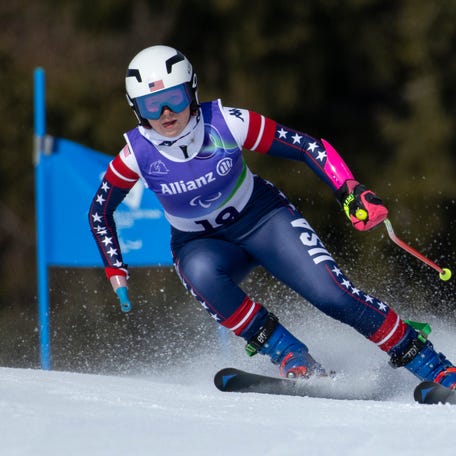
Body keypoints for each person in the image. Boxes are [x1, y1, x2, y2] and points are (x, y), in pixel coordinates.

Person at [89, 45, 456, 387]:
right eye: (152, 106)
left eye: (174, 98)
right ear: (137, 109)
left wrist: (348, 189)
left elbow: (308, 147)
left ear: (192, 91)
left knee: (332, 296)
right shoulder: (135, 155)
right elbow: (100, 211)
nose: (166, 114)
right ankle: (291, 356)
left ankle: (435, 367)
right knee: (198, 274)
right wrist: (115, 268)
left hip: (263, 219)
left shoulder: (226, 123)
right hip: (202, 243)